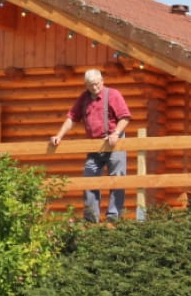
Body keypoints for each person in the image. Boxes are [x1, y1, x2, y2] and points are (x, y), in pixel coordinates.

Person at [50, 68, 131, 222]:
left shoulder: (113, 94)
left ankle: (114, 217)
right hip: (94, 146)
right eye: (90, 85)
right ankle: (91, 219)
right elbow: (72, 118)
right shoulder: (84, 98)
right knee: (89, 178)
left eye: (96, 84)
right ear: (86, 85)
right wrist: (59, 135)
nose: (94, 88)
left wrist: (115, 133)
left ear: (102, 80)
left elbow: (125, 117)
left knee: (117, 179)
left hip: (114, 142)